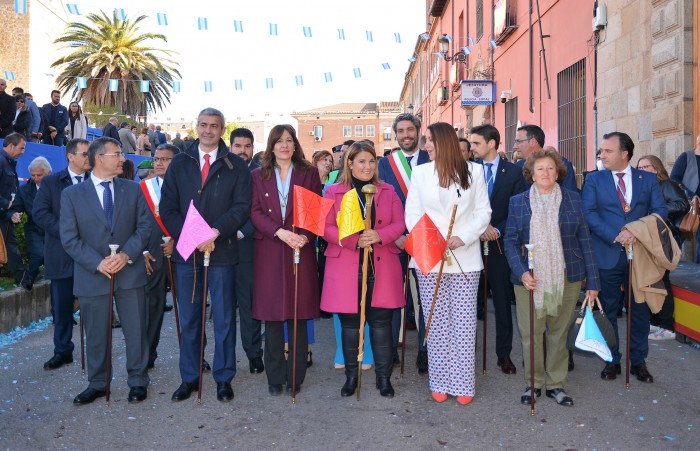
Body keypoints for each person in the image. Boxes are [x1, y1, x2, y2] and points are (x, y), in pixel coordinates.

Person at [160, 107, 251, 403]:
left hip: (222, 252)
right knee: (189, 319)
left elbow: (241, 208)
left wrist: (215, 231)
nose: (208, 130)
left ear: (222, 129)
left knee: (224, 319)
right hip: (188, 254)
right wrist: (195, 237)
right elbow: (168, 208)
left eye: (214, 125)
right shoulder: (180, 163)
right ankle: (190, 377)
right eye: (203, 124)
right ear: (196, 127)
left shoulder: (236, 165)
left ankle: (224, 377)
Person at [504, 148, 600, 407]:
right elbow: (510, 241)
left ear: (558, 172)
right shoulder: (518, 202)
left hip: (567, 277)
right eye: (540, 169)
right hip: (529, 279)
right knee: (531, 334)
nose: (545, 173)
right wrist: (521, 272)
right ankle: (533, 384)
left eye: (550, 168)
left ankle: (556, 385)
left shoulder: (572, 200)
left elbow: (584, 239)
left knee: (559, 333)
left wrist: (593, 282)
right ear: (531, 174)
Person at [60, 136, 151, 405]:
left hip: (130, 272)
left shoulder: (133, 190)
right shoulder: (72, 195)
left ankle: (137, 381)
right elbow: (69, 238)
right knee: (97, 334)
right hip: (92, 275)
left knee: (136, 330)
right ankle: (98, 383)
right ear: (99, 158)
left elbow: (144, 228)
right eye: (117, 154)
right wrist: (98, 263)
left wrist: (125, 254)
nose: (123, 158)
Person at [405, 122, 491, 405]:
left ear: (444, 142)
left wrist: (463, 237)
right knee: (436, 323)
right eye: (425, 141)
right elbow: (413, 214)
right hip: (430, 258)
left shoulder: (474, 171)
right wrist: (433, 240)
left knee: (464, 324)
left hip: (465, 258)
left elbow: (483, 212)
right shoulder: (419, 173)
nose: (426, 145)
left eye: (429, 140)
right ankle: (440, 381)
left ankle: (464, 383)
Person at [582, 131, 667, 384]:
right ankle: (611, 360)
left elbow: (660, 211)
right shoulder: (594, 180)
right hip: (607, 253)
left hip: (640, 255)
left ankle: (639, 361)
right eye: (601, 151)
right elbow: (589, 213)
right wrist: (616, 235)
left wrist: (636, 232)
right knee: (608, 309)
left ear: (624, 154)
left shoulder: (647, 179)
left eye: (608, 151)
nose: (602, 155)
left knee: (639, 310)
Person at [321, 141, 405, 397]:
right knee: (350, 326)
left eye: (371, 161)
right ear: (349, 163)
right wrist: (352, 239)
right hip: (346, 266)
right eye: (361, 161)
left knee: (381, 324)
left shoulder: (388, 190)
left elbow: (401, 223)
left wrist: (379, 235)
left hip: (381, 266)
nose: (367, 166)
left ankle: (383, 379)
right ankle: (350, 378)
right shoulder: (333, 191)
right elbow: (324, 227)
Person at [250, 124, 322, 396]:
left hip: (299, 248)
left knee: (298, 313)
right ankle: (274, 377)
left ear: (295, 145)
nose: (284, 145)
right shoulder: (258, 175)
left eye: (289, 140)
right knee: (272, 314)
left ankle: (296, 377)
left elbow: (315, 209)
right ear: (271, 146)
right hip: (270, 247)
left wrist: (302, 236)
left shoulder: (308, 173)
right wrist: (279, 232)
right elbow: (254, 212)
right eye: (279, 141)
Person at [469, 124, 527, 374]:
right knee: (468, 303)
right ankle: (466, 351)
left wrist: (496, 229)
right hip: (470, 245)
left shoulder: (514, 173)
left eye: (476, 144)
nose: (471, 148)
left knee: (502, 303)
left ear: (492, 143)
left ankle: (503, 354)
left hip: (500, 247)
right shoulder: (467, 171)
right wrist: (479, 228)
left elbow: (519, 209)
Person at [377, 113, 430, 374]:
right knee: (393, 297)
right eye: (401, 131)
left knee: (425, 299)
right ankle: (391, 351)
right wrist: (396, 235)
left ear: (418, 131)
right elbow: (381, 203)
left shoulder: (431, 161)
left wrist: (419, 234)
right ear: (395, 135)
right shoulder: (385, 164)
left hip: (425, 239)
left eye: (410, 130)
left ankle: (425, 349)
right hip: (394, 241)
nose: (406, 135)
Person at [34, 138, 91, 370]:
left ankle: (97, 352)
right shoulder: (50, 182)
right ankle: (63, 350)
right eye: (85, 154)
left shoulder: (97, 181)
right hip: (61, 253)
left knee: (94, 305)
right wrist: (65, 233)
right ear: (70, 156)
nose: (90, 158)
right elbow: (40, 213)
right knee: (62, 306)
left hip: (91, 254)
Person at [637, 154, 688, 341]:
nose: (642, 170)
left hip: (664, 239)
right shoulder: (642, 188)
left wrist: (656, 211)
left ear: (656, 168)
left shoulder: (667, 185)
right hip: (648, 238)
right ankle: (656, 321)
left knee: (662, 280)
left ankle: (667, 326)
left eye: (646, 167)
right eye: (639, 168)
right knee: (652, 280)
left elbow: (682, 204)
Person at [229, 127, 264, 374]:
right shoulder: (218, 171)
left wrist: (241, 232)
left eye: (247, 146)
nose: (243, 151)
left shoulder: (260, 175)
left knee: (250, 308)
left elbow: (262, 210)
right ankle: (223, 358)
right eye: (238, 146)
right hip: (219, 249)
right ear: (230, 147)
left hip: (248, 250)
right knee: (222, 310)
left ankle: (254, 355)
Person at [141, 144, 176, 369]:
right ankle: (147, 356)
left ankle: (195, 356)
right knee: (151, 309)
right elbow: (132, 224)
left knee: (190, 309)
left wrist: (177, 241)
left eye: (166, 159)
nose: (160, 163)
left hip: (181, 255)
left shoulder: (187, 188)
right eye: (156, 159)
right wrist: (141, 251)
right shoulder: (143, 189)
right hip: (152, 257)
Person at [7, 156, 52, 291]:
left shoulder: (58, 187)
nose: (36, 178)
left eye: (39, 175)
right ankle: (29, 279)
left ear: (48, 173)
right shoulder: (25, 190)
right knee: (38, 253)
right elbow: (14, 208)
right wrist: (13, 215)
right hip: (34, 228)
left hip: (53, 228)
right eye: (33, 175)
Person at [513, 125, 578, 192]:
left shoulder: (564, 166)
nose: (515, 146)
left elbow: (571, 199)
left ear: (532, 141)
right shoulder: (516, 168)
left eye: (518, 141)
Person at [0, 133, 28, 285]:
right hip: (3, 213)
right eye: (21, 148)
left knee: (11, 246)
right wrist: (7, 204)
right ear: (11, 146)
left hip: (6, 215)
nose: (23, 152)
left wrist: (13, 209)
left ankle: (22, 278)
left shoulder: (9, 162)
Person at [670, 134, 700, 262]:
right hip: (688, 206)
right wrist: (691, 195)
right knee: (677, 238)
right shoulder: (686, 157)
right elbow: (674, 179)